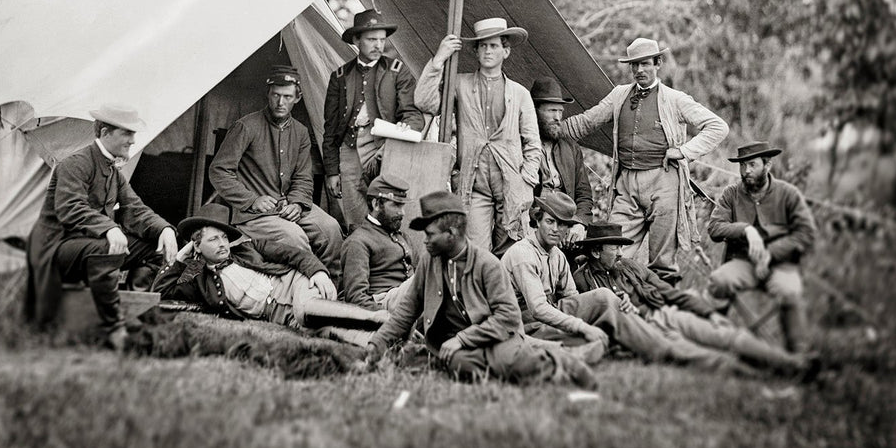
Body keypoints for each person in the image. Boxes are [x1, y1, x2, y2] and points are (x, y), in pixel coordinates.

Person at [501, 190, 754, 374]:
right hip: (527, 324)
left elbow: (570, 299)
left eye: (563, 225)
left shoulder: (556, 256)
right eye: (550, 222)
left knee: (606, 304)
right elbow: (538, 309)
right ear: (537, 220)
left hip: (559, 316)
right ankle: (673, 351)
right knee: (601, 334)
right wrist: (584, 326)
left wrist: (611, 304)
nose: (556, 229)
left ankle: (686, 352)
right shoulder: (524, 254)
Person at [364, 191, 596, 387]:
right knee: (457, 363)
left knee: (510, 363)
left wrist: (464, 339)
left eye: (430, 234)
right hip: (454, 345)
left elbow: (507, 318)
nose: (425, 241)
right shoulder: (429, 260)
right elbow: (406, 311)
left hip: (495, 338)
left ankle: (562, 363)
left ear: (452, 234)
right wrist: (377, 343)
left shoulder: (487, 265)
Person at [559, 36, 728, 283]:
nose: (639, 70)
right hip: (627, 184)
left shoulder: (674, 99)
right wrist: (554, 129)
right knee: (609, 251)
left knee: (663, 261)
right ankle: (609, 306)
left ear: (657, 63)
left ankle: (661, 313)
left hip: (664, 183)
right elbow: (587, 121)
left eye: (645, 63)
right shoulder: (619, 95)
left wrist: (683, 151)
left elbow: (717, 126)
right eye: (634, 65)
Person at [24, 103, 178, 350]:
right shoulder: (76, 163)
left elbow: (135, 210)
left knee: (156, 248)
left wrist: (165, 230)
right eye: (126, 133)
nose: (132, 140)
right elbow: (69, 207)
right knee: (108, 246)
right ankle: (113, 328)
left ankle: (134, 314)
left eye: (133, 134)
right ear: (105, 132)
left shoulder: (113, 172)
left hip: (90, 250)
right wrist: (109, 227)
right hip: (56, 251)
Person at [574, 223, 815, 376]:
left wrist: (709, 313)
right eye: (614, 247)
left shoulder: (631, 267)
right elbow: (590, 323)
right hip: (644, 332)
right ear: (596, 252)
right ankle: (767, 376)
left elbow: (670, 294)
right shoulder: (583, 282)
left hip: (665, 314)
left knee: (725, 334)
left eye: (620, 247)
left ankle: (792, 363)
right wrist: (620, 309)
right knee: (703, 356)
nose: (620, 252)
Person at [153, 204, 385, 338]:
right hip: (279, 315)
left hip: (296, 285)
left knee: (305, 312)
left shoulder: (247, 247)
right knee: (324, 332)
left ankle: (379, 319)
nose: (223, 244)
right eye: (213, 240)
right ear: (197, 245)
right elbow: (162, 291)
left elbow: (293, 254)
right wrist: (183, 256)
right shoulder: (196, 275)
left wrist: (317, 272)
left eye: (224, 237)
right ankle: (386, 339)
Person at [414, 17, 542, 254]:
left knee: (512, 249)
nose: (487, 51)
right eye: (483, 46)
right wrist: (439, 59)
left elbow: (533, 142)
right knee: (476, 251)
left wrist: (526, 179)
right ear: (475, 51)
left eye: (494, 46)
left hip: (511, 184)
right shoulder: (460, 83)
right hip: (474, 185)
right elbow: (424, 102)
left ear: (506, 51)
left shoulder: (519, 93)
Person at [208, 65, 343, 281]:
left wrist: (298, 203)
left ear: (297, 98)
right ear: (268, 95)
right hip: (254, 214)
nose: (281, 103)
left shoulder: (300, 132)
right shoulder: (246, 126)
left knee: (330, 229)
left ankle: (334, 289)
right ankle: (306, 290)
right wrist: (252, 200)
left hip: (288, 206)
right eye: (276, 95)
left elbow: (302, 177)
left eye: (287, 97)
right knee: (294, 236)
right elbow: (219, 171)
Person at [707, 141, 816, 354]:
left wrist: (771, 253)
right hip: (743, 262)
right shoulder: (731, 194)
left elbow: (806, 233)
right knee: (719, 280)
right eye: (742, 166)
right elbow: (715, 228)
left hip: (780, 265)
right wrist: (746, 229)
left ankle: (799, 353)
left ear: (767, 165)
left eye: (752, 165)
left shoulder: (788, 194)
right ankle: (715, 337)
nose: (746, 171)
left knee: (790, 290)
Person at [323, 8, 423, 231]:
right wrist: (332, 171)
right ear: (357, 40)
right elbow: (330, 128)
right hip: (348, 151)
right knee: (354, 215)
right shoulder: (340, 76)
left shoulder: (397, 71)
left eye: (381, 39)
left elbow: (413, 113)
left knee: (387, 208)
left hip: (383, 148)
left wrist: (407, 127)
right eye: (371, 40)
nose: (378, 45)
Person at [340, 174, 421, 311]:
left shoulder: (403, 237)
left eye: (403, 206)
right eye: (396, 205)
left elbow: (422, 271)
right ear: (376, 204)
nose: (402, 213)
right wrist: (390, 318)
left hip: (409, 301)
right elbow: (355, 298)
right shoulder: (358, 242)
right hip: (386, 305)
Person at [531, 77, 595, 245]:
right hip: (534, 224)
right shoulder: (521, 146)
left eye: (560, 111)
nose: (558, 117)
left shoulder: (570, 148)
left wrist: (579, 223)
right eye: (551, 111)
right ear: (534, 111)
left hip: (567, 224)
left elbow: (584, 195)